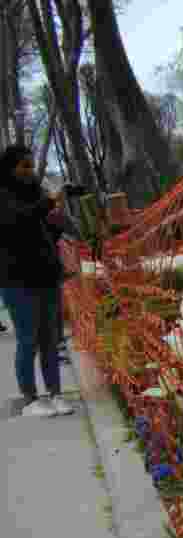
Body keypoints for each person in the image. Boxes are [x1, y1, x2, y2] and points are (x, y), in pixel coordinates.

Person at [0, 144, 74, 417]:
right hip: (17, 280)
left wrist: (57, 220)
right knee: (28, 339)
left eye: (31, 166)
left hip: (46, 275)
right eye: (24, 166)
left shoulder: (36, 194)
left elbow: (45, 233)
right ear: (10, 168)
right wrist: (47, 204)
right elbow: (18, 222)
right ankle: (30, 399)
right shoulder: (4, 196)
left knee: (49, 339)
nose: (30, 171)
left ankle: (55, 393)